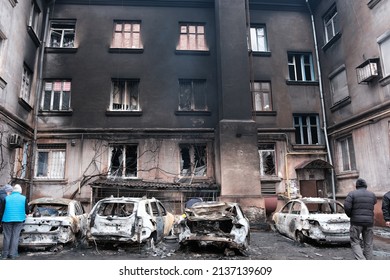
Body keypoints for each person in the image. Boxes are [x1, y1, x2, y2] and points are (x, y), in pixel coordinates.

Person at [344, 178, 377, 260]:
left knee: (355, 242)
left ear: (357, 186)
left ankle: (362, 260)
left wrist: (350, 215)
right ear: (366, 186)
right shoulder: (372, 194)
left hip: (356, 222)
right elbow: (374, 202)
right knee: (368, 243)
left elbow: (347, 207)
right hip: (369, 222)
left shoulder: (352, 194)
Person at [1, 184, 29, 259]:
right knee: (15, 237)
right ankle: (12, 254)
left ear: (13, 191)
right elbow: (27, 210)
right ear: (20, 191)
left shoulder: (7, 198)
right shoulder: (24, 198)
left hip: (7, 219)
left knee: (7, 237)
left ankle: (4, 255)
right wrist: (25, 214)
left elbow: (2, 210)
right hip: (19, 219)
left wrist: (1, 221)